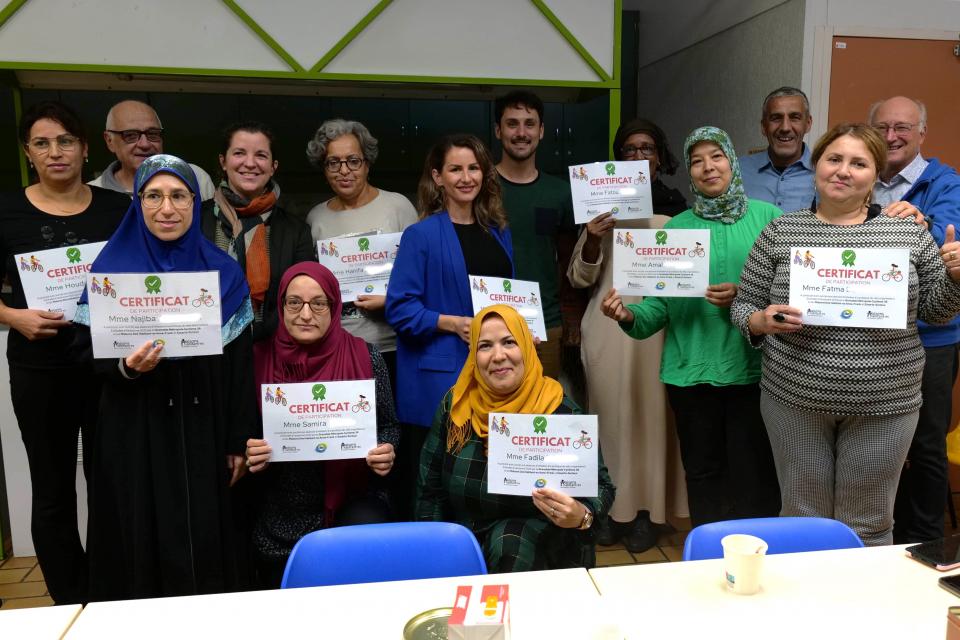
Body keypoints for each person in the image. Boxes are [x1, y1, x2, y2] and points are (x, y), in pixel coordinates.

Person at [730, 122, 960, 546]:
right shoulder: (781, 231)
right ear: (817, 165)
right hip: (794, 401)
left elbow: (935, 310)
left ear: (875, 176)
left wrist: (956, 279)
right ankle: (804, 611)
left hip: (885, 404)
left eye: (858, 163)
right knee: (802, 518)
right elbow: (743, 306)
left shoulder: (906, 233)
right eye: (834, 159)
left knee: (869, 523)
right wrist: (760, 321)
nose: (843, 171)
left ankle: (861, 611)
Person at [74, 154, 257, 600]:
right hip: (133, 426)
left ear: (196, 203)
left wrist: (237, 441)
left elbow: (239, 367)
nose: (167, 208)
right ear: (137, 203)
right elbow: (82, 356)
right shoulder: (109, 273)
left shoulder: (225, 273)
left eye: (178, 196)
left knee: (202, 532)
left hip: (202, 425)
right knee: (138, 529)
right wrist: (125, 367)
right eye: (153, 196)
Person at [600, 126, 782, 529]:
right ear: (689, 172)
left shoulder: (770, 220)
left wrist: (745, 298)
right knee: (703, 475)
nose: (707, 167)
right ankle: (709, 564)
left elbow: (786, 296)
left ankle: (757, 562)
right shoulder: (674, 229)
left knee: (755, 477)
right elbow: (656, 310)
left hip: (753, 373)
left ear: (732, 162)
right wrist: (628, 316)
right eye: (697, 160)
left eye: (716, 156)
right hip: (690, 374)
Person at [0, 101, 128, 604]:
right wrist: (14, 316)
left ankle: (109, 590)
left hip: (106, 369)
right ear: (28, 153)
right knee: (51, 486)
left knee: (110, 483)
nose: (56, 152)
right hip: (39, 369)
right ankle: (70, 598)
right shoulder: (6, 210)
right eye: (42, 143)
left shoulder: (117, 209)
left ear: (85, 147)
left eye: (65, 141)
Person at [416, 305, 614, 572]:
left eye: (509, 342)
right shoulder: (457, 404)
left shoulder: (559, 408)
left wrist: (581, 516)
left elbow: (602, 488)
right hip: (467, 540)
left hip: (542, 547)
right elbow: (430, 490)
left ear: (526, 346)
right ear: (474, 355)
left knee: (510, 539)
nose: (498, 356)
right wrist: (435, 551)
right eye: (485, 346)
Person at [567, 117, 686, 552]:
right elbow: (580, 278)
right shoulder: (598, 212)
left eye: (647, 149)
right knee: (609, 420)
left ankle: (647, 515)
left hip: (657, 327)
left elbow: (686, 273)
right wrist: (595, 238)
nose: (639, 156)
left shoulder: (678, 210)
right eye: (630, 149)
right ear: (618, 159)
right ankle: (609, 509)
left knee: (653, 421)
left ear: (660, 158)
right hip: (607, 327)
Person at [243, 262, 399, 588]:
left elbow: (387, 426)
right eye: (294, 302)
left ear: (334, 305)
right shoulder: (255, 362)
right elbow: (240, 436)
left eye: (318, 303)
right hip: (281, 511)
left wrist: (386, 451)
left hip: (353, 500)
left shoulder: (365, 356)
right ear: (281, 306)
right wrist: (250, 452)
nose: (305, 314)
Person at [386, 134, 513, 518]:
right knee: (436, 488)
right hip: (439, 378)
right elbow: (400, 308)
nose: (466, 177)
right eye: (455, 169)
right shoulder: (420, 235)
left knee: (483, 483)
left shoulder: (499, 231)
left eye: (473, 168)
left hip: (492, 373)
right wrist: (450, 323)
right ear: (437, 177)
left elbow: (509, 296)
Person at [868, 96, 960, 543]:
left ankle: (923, 541)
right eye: (883, 127)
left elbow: (949, 245)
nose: (892, 136)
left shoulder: (944, 183)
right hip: (873, 335)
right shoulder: (857, 177)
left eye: (902, 127)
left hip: (932, 335)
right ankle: (877, 535)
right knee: (875, 437)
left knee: (924, 444)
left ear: (921, 133)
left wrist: (918, 223)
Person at [304, 119, 418, 382]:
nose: (344, 170)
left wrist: (391, 302)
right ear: (324, 167)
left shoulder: (398, 207)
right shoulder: (315, 218)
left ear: (367, 163)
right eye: (333, 162)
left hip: (394, 346)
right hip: (337, 349)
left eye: (353, 160)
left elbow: (424, 277)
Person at [201, 121, 314, 341]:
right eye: (239, 153)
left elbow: (301, 298)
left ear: (273, 166)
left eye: (261, 155)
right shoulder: (194, 221)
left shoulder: (296, 231)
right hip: (206, 353)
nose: (250, 163)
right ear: (223, 161)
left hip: (272, 350)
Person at [493, 90, 577, 379]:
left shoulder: (561, 193)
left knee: (543, 415)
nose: (521, 132)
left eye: (529, 124)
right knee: (492, 419)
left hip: (545, 323)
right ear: (498, 130)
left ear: (541, 131)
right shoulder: (478, 188)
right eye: (512, 123)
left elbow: (568, 263)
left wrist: (571, 320)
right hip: (487, 322)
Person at [89, 100, 215, 200]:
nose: (144, 144)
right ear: (109, 141)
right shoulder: (92, 194)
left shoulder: (194, 177)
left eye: (153, 134)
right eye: (130, 135)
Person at [739, 87, 815, 212]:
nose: (785, 127)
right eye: (776, 118)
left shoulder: (826, 174)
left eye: (794, 117)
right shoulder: (737, 171)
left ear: (808, 123)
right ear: (764, 126)